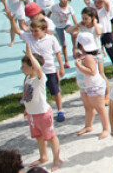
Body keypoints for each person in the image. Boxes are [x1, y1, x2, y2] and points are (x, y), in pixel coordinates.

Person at [20, 43, 63, 171]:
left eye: (24, 66)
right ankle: (43, 156)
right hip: (33, 114)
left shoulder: (40, 78)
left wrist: (30, 55)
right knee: (38, 136)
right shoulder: (27, 78)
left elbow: (39, 69)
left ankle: (57, 159)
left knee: (50, 136)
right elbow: (27, 95)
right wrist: (26, 109)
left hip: (43, 113)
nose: (21, 68)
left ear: (32, 66)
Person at [18, 16, 66, 123]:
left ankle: (60, 110)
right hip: (34, 71)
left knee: (55, 91)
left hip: (49, 70)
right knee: (32, 91)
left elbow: (58, 53)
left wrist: (61, 67)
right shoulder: (29, 37)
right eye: (32, 31)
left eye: (36, 31)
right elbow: (18, 31)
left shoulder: (51, 38)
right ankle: (35, 110)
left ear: (44, 29)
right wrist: (12, 20)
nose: (34, 33)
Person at [74, 33, 110, 140]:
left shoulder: (89, 58)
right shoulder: (84, 56)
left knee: (100, 108)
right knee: (88, 107)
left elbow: (92, 72)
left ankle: (106, 128)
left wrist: (79, 66)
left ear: (80, 45)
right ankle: (88, 126)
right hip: (85, 87)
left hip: (94, 86)